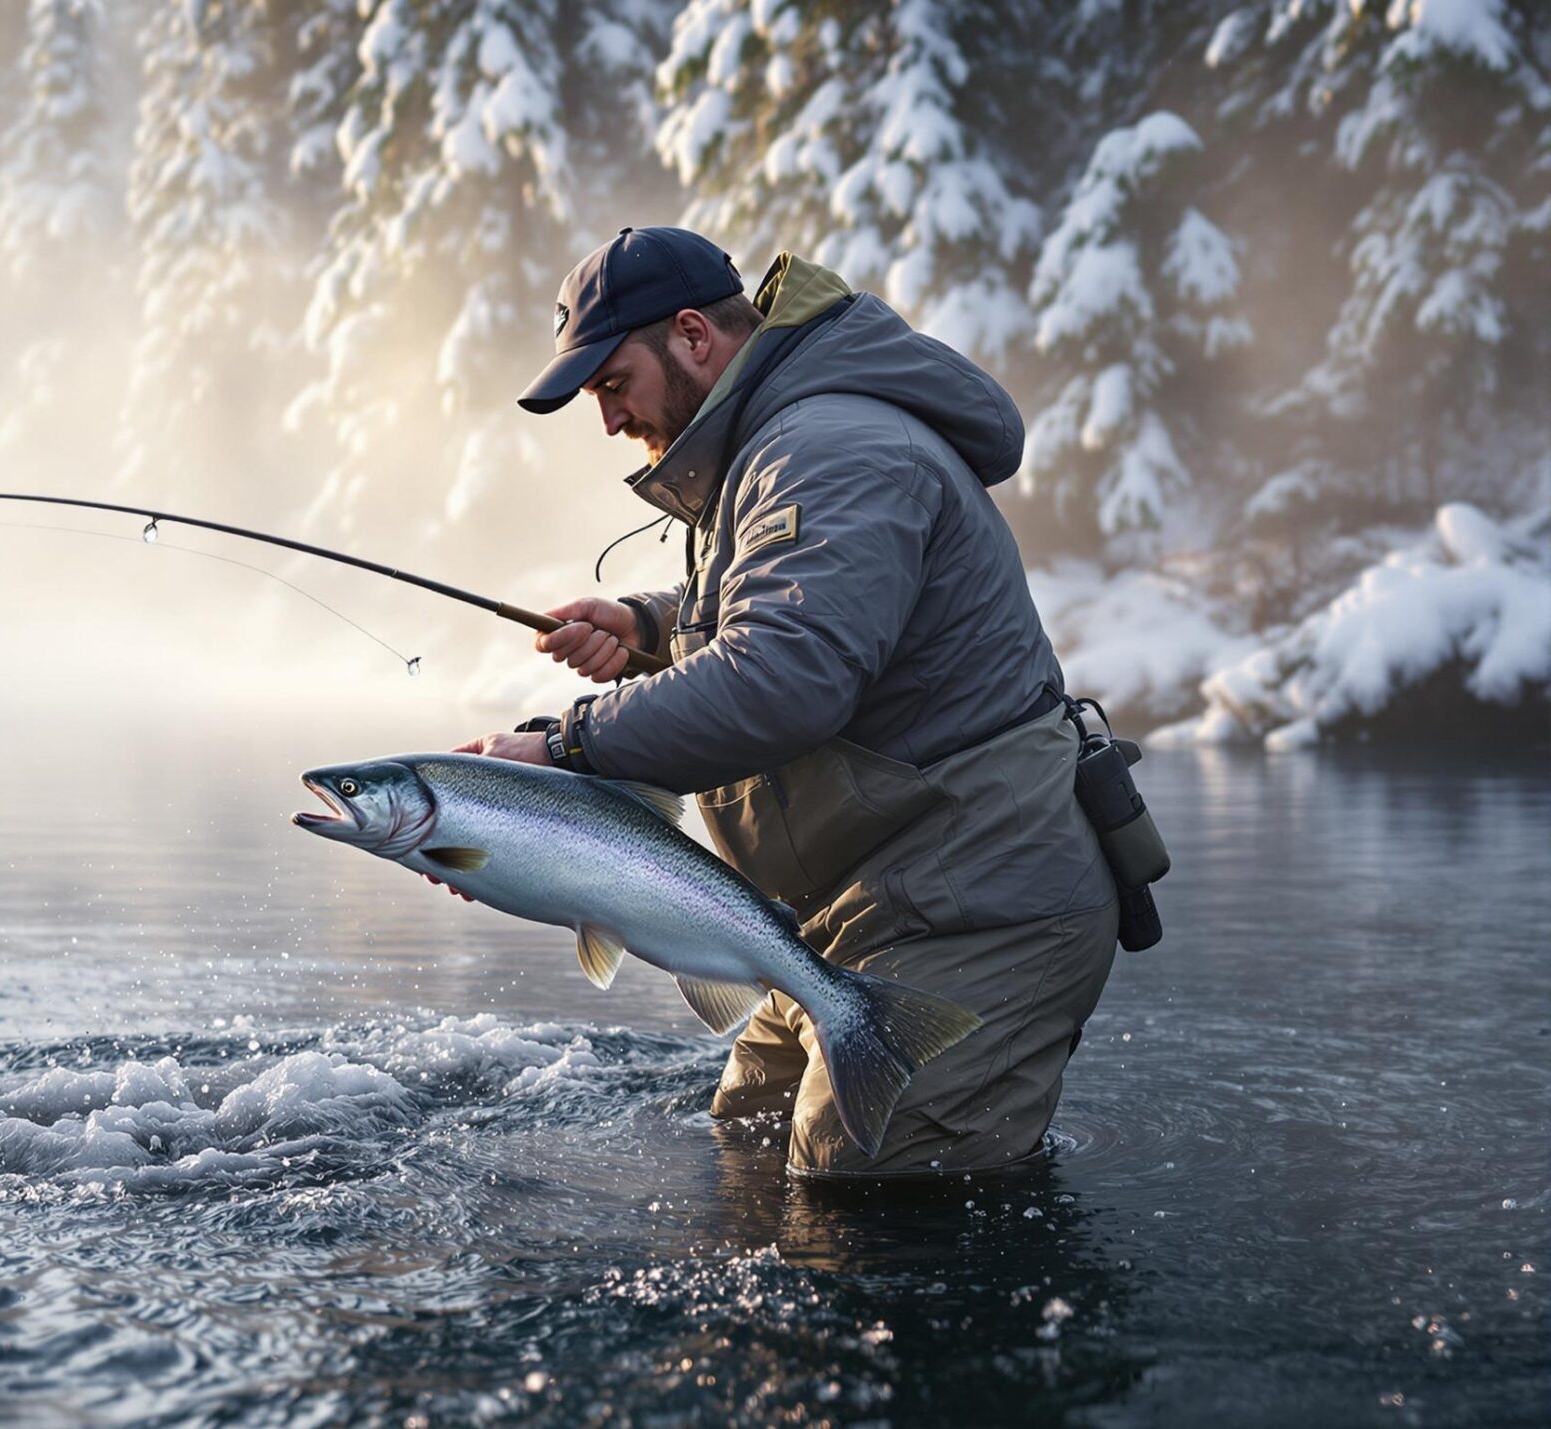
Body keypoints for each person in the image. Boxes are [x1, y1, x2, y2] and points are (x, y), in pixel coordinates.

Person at [453, 226, 1119, 1179]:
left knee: (868, 1195)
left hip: (978, 902)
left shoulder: (829, 446)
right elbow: (804, 606)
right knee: (751, 1145)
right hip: (865, 902)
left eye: (611, 385)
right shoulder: (781, 445)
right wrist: (649, 625)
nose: (607, 422)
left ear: (691, 335)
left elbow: (786, 677)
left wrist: (566, 749)